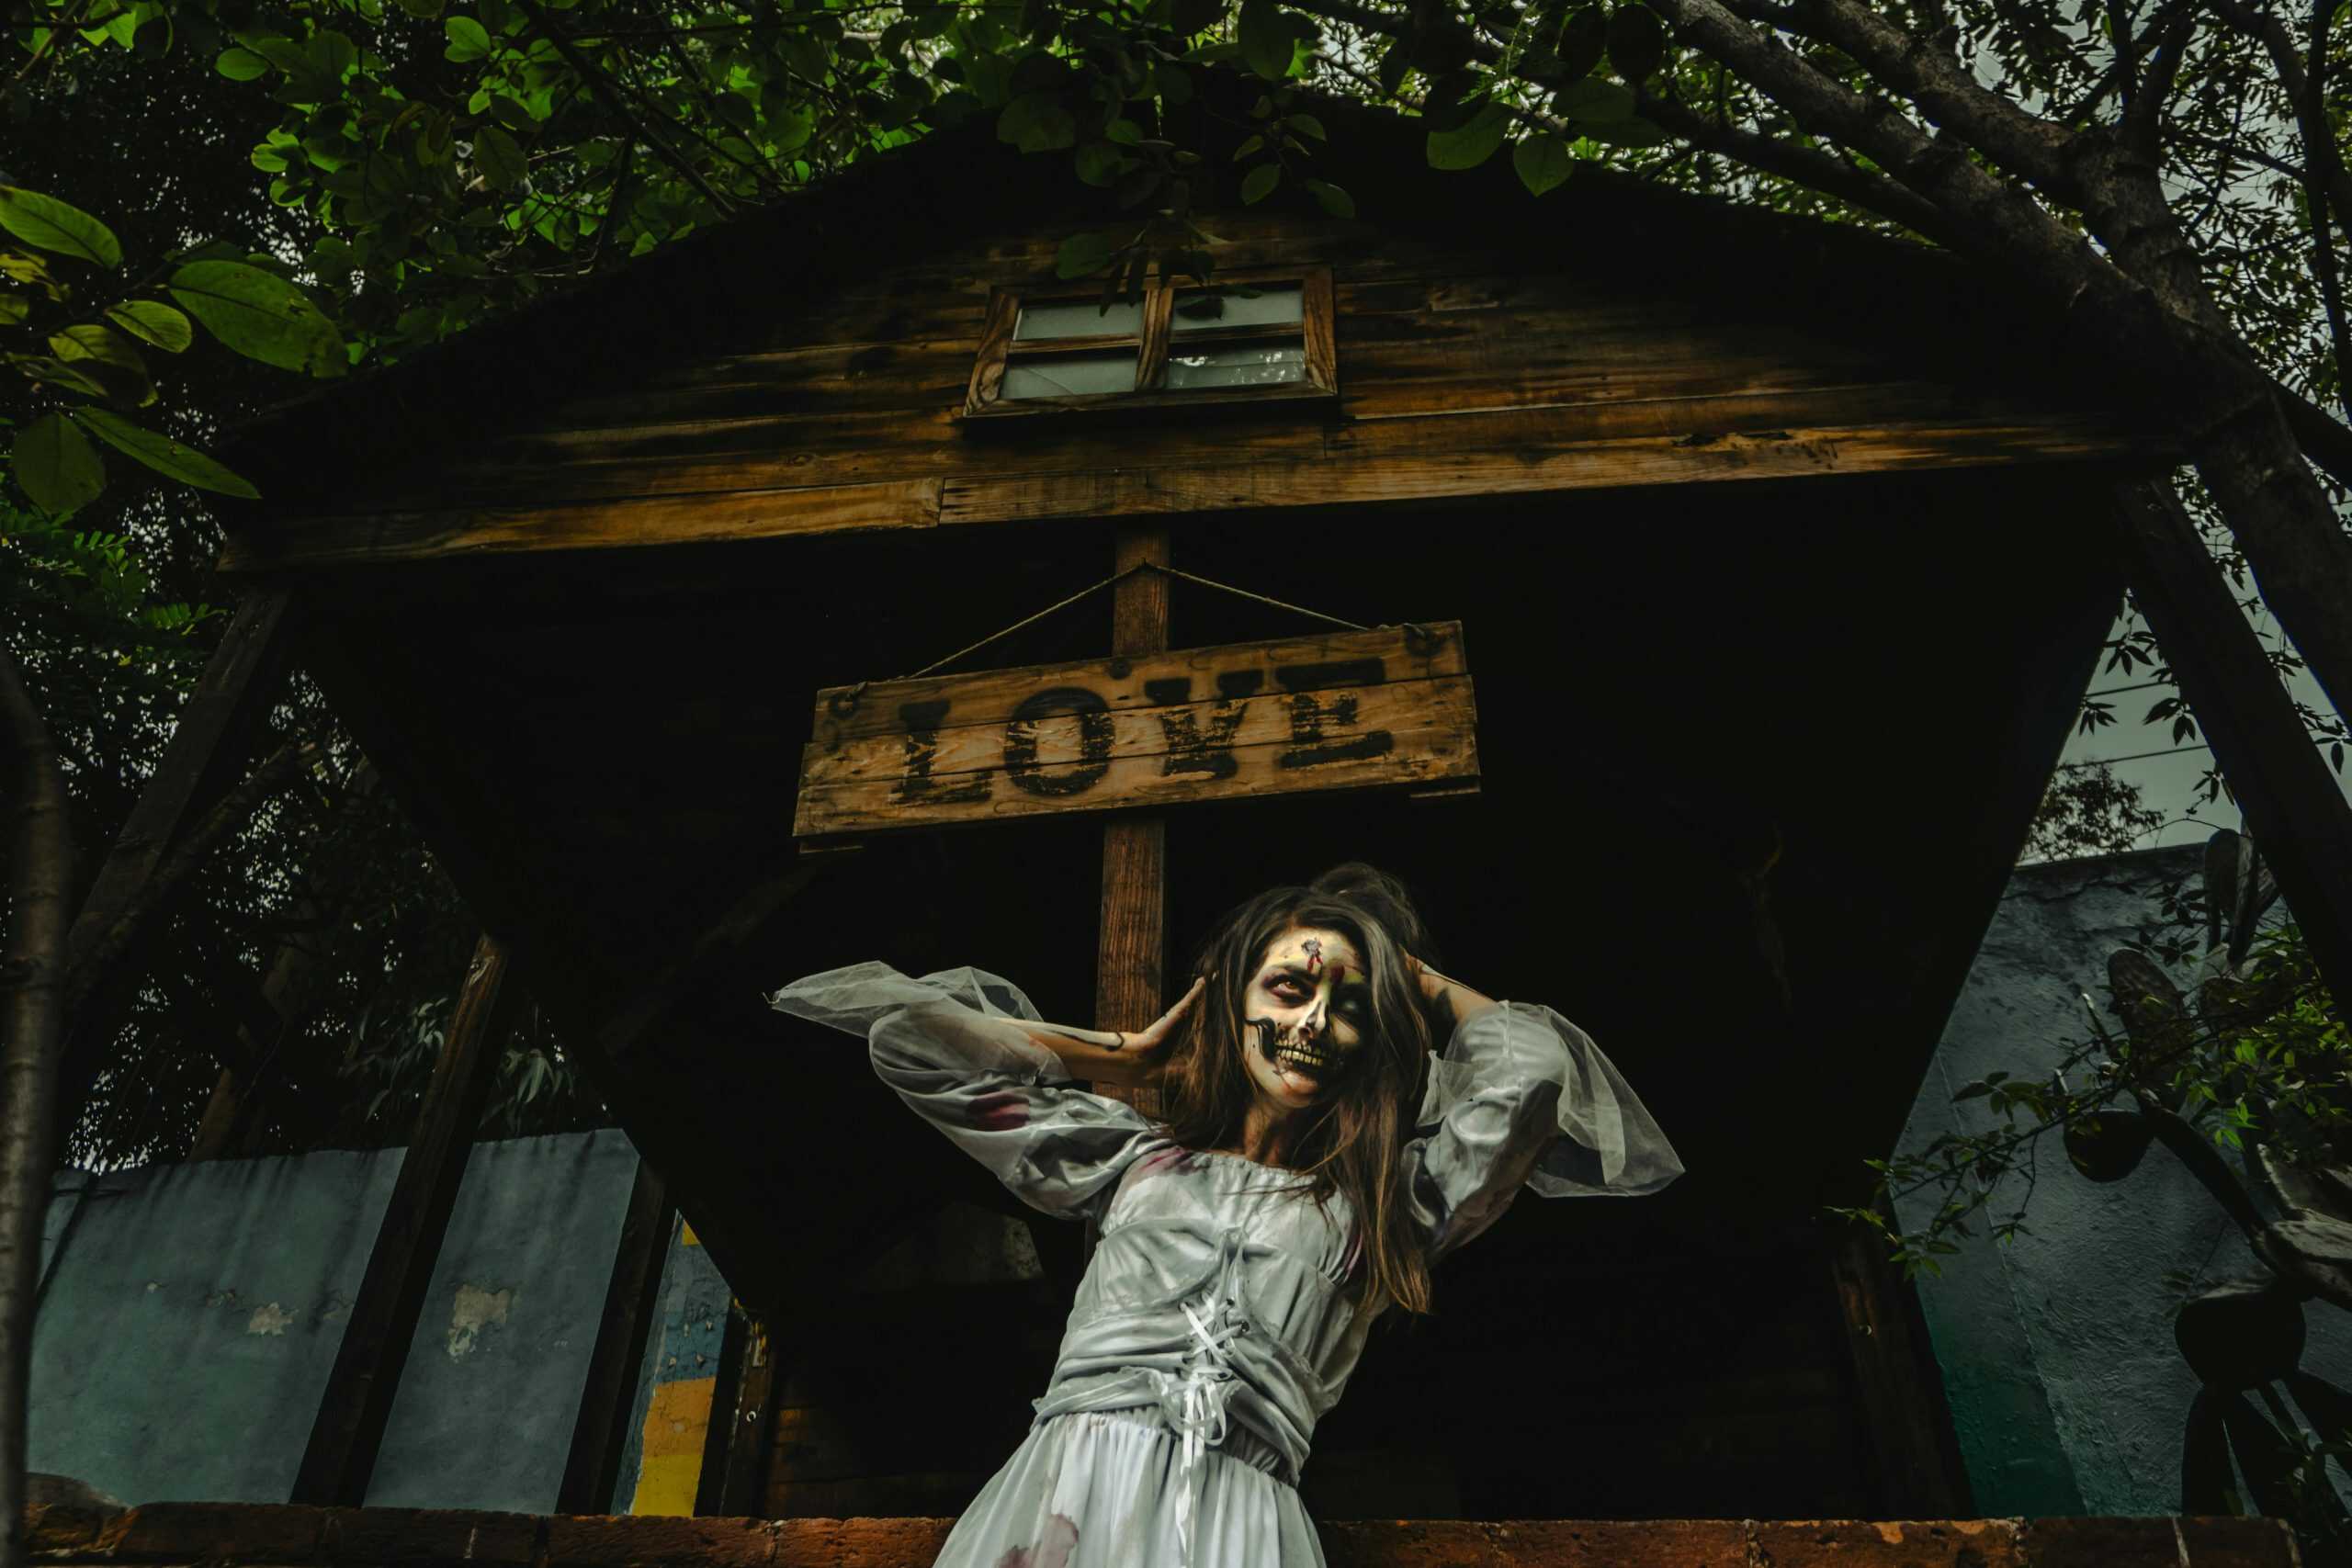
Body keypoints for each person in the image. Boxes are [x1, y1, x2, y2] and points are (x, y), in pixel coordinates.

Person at [769, 863, 1681, 1568]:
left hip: (1240, 1518)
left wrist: (1409, 974)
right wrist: (1122, 1062)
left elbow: (1533, 1074)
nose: (1316, 1022)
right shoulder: (1131, 1158)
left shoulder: (1388, 1208)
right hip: (1062, 1491)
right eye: (1288, 987)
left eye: (1350, 1007)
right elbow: (912, 1042)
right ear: (1232, 1001)